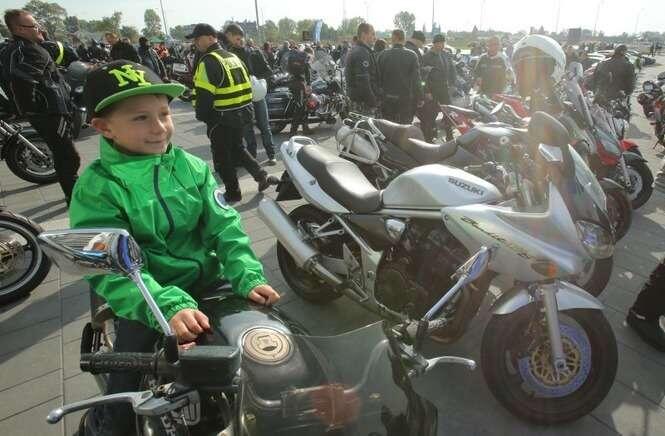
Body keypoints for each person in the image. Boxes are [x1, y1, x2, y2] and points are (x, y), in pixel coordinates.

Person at [73, 59, 281, 434]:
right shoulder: (97, 187)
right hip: (146, 298)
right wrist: (166, 305)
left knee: (274, 351)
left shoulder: (191, 166)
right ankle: (100, 425)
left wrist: (247, 275)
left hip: (210, 282)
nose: (159, 127)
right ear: (103, 127)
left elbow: (225, 226)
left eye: (164, 114)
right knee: (124, 403)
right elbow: (108, 265)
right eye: (140, 118)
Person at [189, 24, 278, 203]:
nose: (195, 43)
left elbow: (204, 97)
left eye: (197, 39)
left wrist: (203, 116)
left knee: (222, 158)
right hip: (241, 114)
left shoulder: (208, 61)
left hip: (220, 118)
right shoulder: (233, 57)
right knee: (238, 148)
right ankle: (261, 175)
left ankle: (233, 193)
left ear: (209, 38)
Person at [1, 9, 80, 202]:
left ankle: (75, 195)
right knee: (68, 157)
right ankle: (75, 198)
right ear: (20, 29)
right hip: (50, 113)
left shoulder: (20, 48)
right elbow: (22, 81)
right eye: (35, 25)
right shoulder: (26, 50)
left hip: (49, 112)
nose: (39, 28)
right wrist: (36, 109)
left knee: (65, 155)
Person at [224, 23, 276, 163]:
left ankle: (271, 154)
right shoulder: (229, 55)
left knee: (264, 125)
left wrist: (256, 79)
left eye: (241, 38)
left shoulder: (255, 52)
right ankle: (252, 157)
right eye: (236, 39)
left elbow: (268, 71)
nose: (239, 41)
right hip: (242, 96)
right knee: (247, 129)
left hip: (257, 93)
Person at [377, 29, 422, 124]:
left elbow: (377, 77)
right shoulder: (412, 55)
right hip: (405, 99)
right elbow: (416, 80)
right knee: (404, 127)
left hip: (387, 98)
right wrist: (420, 97)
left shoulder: (383, 55)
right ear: (404, 39)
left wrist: (378, 96)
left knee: (387, 126)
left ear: (393, 39)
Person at [420, 34, 455, 142]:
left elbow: (452, 70)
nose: (442, 45)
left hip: (444, 89)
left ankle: (449, 136)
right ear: (435, 44)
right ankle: (429, 138)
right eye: (440, 43)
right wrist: (426, 91)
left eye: (443, 43)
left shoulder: (446, 55)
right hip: (432, 90)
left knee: (448, 114)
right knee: (431, 115)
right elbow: (422, 77)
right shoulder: (426, 57)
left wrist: (452, 84)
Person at [345, 22, 379, 116]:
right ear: (364, 35)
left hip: (358, 102)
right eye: (372, 34)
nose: (375, 37)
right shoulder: (362, 52)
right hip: (363, 104)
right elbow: (363, 82)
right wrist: (373, 102)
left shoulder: (357, 49)